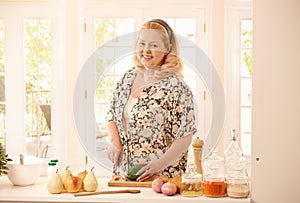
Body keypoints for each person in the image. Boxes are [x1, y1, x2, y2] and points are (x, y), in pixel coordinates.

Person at [106, 19, 197, 181]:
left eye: (154, 45)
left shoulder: (177, 87)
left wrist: (159, 164)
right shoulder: (128, 78)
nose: (146, 50)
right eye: (142, 44)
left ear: (167, 48)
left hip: (161, 177)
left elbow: (185, 135)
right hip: (125, 174)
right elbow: (112, 114)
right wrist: (115, 143)